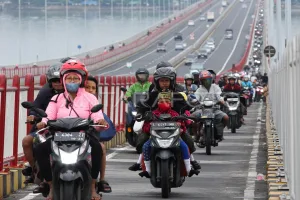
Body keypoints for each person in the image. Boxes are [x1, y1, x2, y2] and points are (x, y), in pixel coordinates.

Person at [35, 59, 108, 200]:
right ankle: (50, 186)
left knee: (98, 149)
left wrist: (100, 121)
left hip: (83, 136)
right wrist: (43, 123)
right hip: (59, 137)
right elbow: (48, 116)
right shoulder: (56, 99)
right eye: (69, 78)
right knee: (40, 149)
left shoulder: (90, 98)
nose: (72, 81)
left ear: (81, 80)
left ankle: (93, 188)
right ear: (63, 80)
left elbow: (97, 115)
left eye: (75, 78)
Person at [132, 67, 201, 170]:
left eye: (167, 80)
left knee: (188, 142)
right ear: (157, 82)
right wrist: (140, 113)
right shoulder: (152, 95)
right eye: (162, 81)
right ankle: (144, 165)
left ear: (171, 81)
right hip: (155, 125)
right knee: (142, 142)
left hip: (175, 124)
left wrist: (190, 111)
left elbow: (187, 105)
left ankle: (191, 161)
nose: (164, 83)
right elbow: (143, 105)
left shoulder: (179, 94)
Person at [139, 92, 200, 178]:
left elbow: (182, 124)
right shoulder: (153, 114)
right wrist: (150, 127)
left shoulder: (175, 114)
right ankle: (147, 171)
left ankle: (189, 169)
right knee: (145, 146)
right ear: (157, 102)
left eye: (167, 100)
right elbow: (145, 126)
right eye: (161, 100)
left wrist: (180, 127)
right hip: (156, 138)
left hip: (173, 138)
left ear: (171, 103)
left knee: (185, 146)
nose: (164, 102)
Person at [22, 62, 64, 186]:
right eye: (54, 80)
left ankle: (93, 181)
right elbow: (35, 108)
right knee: (27, 141)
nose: (57, 83)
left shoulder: (73, 93)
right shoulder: (45, 92)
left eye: (60, 80)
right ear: (49, 81)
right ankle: (36, 170)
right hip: (47, 127)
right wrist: (33, 116)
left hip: (68, 129)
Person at [85, 76, 112, 193]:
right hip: (70, 134)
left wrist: (100, 122)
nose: (90, 90)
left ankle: (100, 180)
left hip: (89, 134)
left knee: (100, 147)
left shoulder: (95, 103)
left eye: (93, 88)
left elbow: (98, 118)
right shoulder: (69, 99)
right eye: (87, 87)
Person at [194, 70, 229, 142]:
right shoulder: (199, 90)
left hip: (214, 109)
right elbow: (195, 98)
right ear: (201, 81)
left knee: (225, 118)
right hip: (202, 109)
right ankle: (196, 134)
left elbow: (220, 96)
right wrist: (194, 102)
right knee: (192, 118)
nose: (207, 81)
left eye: (208, 79)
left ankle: (220, 133)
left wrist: (222, 101)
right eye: (204, 80)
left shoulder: (216, 87)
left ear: (211, 79)